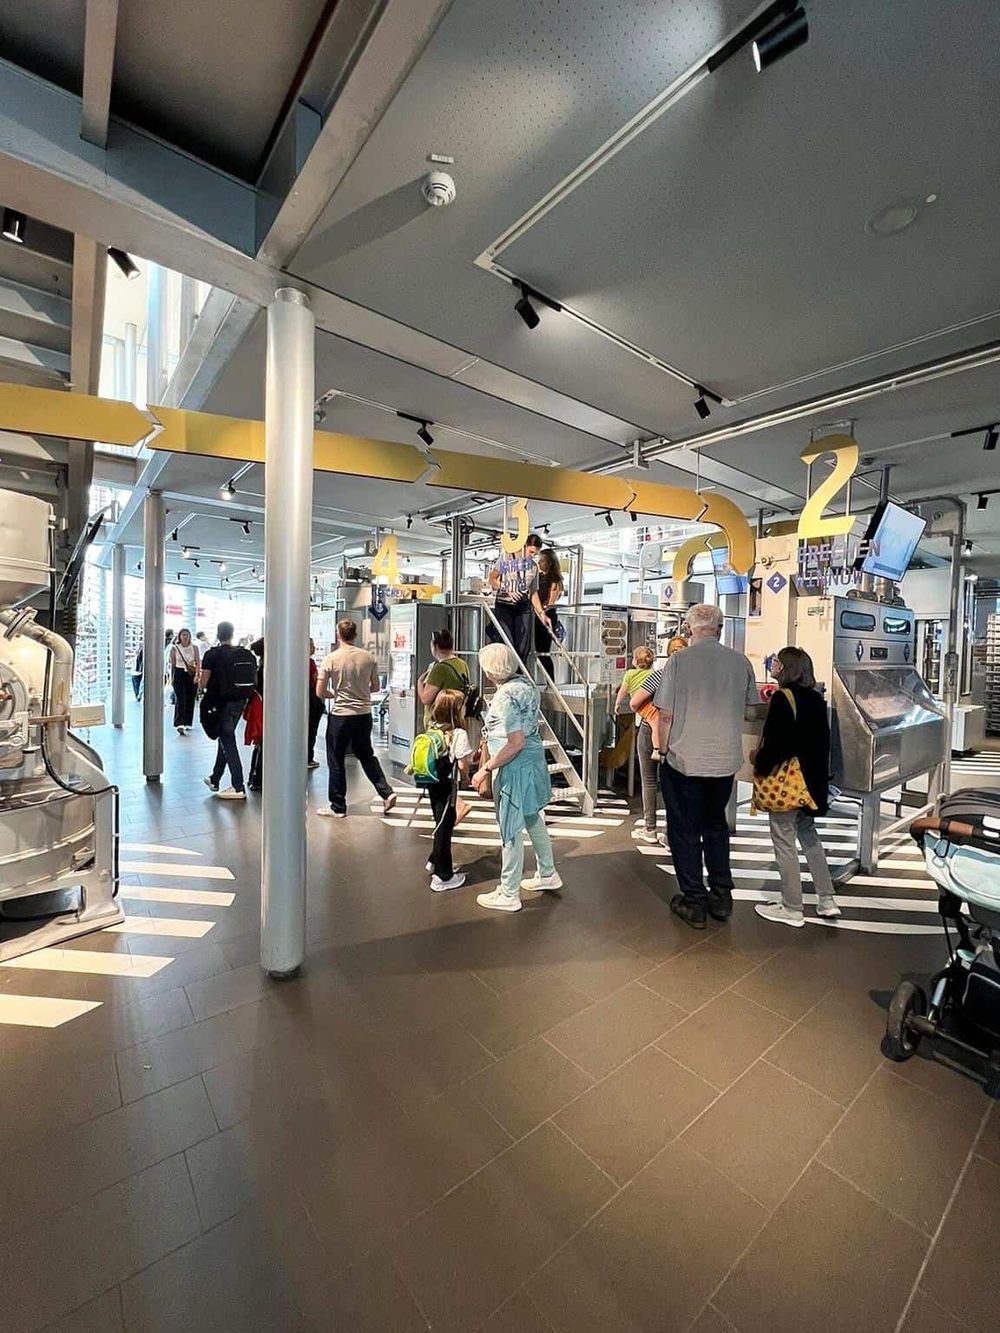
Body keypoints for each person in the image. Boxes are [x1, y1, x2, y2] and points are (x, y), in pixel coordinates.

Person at [652, 604, 758, 930]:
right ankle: (722, 896)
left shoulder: (678, 661)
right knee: (715, 826)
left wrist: (663, 748)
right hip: (724, 763)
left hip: (684, 761)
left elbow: (665, 714)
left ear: (689, 628)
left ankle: (694, 901)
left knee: (684, 830)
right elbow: (752, 711)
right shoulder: (740, 662)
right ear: (720, 628)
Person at [753, 647, 841, 927]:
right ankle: (827, 899)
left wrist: (759, 763)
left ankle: (792, 907)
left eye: (777, 661)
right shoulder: (816, 698)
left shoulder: (783, 698)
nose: (773, 665)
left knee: (784, 842)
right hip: (810, 784)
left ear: (787, 668)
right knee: (810, 837)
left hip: (786, 785)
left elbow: (778, 745)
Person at [471, 641, 559, 912]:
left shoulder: (504, 697)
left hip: (514, 766)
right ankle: (547, 873)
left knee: (510, 827)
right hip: (533, 760)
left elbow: (514, 742)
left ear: (490, 671)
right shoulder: (527, 685)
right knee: (532, 816)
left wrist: (485, 768)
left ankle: (509, 892)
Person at [316, 618, 397, 818]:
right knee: (366, 755)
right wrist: (361, 692)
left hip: (340, 716)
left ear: (338, 634)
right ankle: (386, 792)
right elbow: (376, 687)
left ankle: (338, 806)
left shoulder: (331, 659)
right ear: (355, 635)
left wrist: (335, 694)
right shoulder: (368, 657)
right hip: (363, 715)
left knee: (336, 759)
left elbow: (320, 691)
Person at [200, 621, 257, 800]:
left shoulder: (211, 655)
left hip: (221, 703)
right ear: (232, 634)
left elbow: (203, 682)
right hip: (240, 701)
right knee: (225, 738)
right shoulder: (243, 653)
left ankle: (238, 786)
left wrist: (200, 688)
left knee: (227, 740)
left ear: (218, 634)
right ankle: (215, 778)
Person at [424, 689, 474, 893]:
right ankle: (442, 876)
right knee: (445, 828)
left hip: (432, 783)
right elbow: (462, 765)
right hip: (447, 785)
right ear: (456, 711)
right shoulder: (458, 734)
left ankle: (435, 860)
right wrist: (467, 779)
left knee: (440, 822)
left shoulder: (432, 728)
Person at [615, 646, 659, 844]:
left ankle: (650, 826)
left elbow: (629, 698)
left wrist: (617, 704)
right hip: (666, 722)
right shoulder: (657, 675)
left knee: (648, 779)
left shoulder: (630, 674)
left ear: (634, 661)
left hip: (646, 723)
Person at [488, 532, 543, 665]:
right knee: (507, 643)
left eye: (535, 554)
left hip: (523, 605)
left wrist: (541, 613)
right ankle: (506, 675)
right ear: (524, 546)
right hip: (504, 603)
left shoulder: (534, 567)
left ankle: (519, 675)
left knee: (523, 646)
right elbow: (492, 579)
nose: (532, 556)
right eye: (531, 552)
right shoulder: (507, 558)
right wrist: (507, 588)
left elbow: (533, 592)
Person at [416, 627, 469, 729]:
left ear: (435, 647)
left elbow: (425, 698)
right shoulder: (462, 664)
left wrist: (420, 682)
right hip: (456, 718)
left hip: (440, 723)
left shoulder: (440, 669)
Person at [533, 548, 564, 679]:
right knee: (537, 652)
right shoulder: (537, 577)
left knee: (543, 652)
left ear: (550, 563)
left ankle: (550, 682)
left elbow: (551, 602)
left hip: (547, 615)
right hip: (536, 615)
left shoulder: (555, 579)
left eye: (542, 561)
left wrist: (541, 610)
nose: (539, 563)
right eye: (539, 561)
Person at [169, 628, 200, 734]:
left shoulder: (194, 647)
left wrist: (197, 675)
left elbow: (198, 662)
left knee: (190, 699)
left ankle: (187, 722)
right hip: (179, 673)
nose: (185, 637)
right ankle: (179, 723)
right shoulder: (175, 648)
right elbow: (172, 664)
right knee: (181, 699)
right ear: (179, 636)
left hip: (190, 674)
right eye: (183, 635)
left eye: (187, 635)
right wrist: (171, 678)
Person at [307, 638, 325, 770]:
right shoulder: (310, 663)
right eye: (312, 646)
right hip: (311, 701)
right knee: (311, 730)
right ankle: (308, 758)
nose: (314, 648)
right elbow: (315, 682)